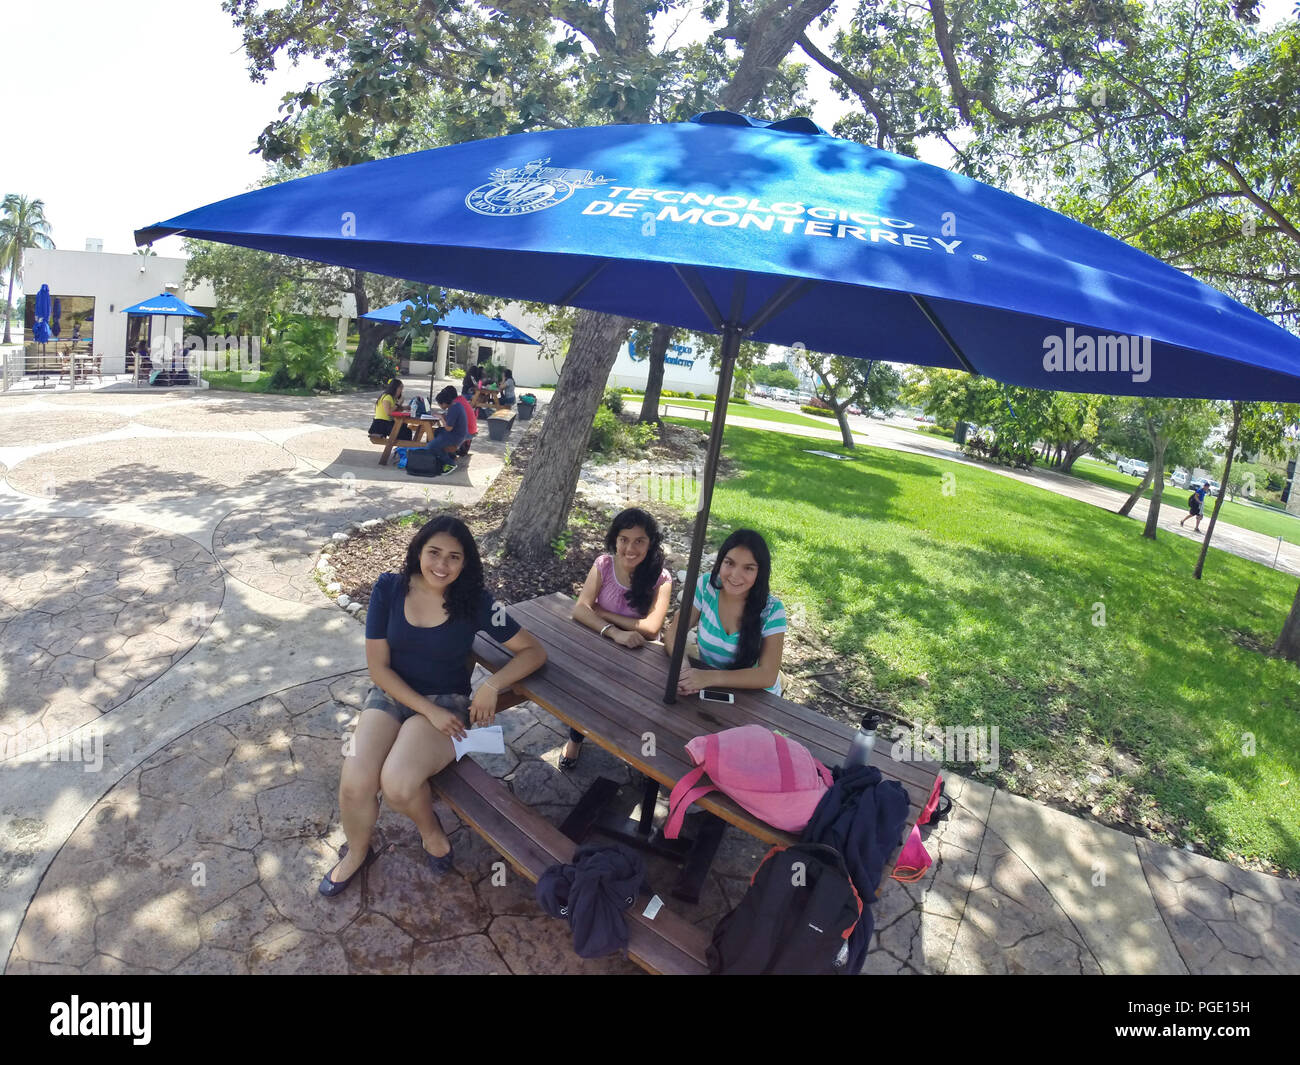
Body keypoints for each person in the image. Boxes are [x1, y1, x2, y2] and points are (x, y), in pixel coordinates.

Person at [320, 515, 546, 896]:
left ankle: (431, 832)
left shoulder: (475, 602)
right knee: (355, 783)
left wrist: (493, 684)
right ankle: (357, 852)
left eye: (455, 557)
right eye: (434, 553)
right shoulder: (388, 589)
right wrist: (425, 710)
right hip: (393, 695)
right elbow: (378, 668)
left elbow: (533, 651)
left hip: (447, 703)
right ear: (418, 552)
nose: (442, 565)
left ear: (466, 563)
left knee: (398, 784)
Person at [560, 508, 673, 769]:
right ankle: (575, 739)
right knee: (584, 693)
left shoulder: (660, 578)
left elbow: (651, 628)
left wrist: (603, 613)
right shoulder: (604, 565)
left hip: (638, 655)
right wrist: (614, 632)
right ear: (615, 540)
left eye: (639, 541)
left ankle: (634, 749)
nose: (630, 548)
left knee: (636, 705)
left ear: (650, 543)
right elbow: (579, 609)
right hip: (601, 643)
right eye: (624, 539)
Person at [662, 528, 786, 697]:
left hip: (758, 699)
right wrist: (683, 669)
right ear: (720, 562)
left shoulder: (772, 610)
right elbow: (674, 632)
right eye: (730, 563)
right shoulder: (707, 587)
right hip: (708, 690)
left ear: (760, 572)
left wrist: (709, 677)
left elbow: (767, 675)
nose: (735, 575)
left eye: (748, 568)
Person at [417, 385, 470, 473]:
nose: (439, 406)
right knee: (437, 431)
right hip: (459, 433)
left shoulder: (453, 409)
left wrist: (441, 418)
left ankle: (450, 463)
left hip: (455, 436)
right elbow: (451, 419)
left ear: (444, 403)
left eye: (439, 404)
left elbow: (448, 428)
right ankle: (445, 455)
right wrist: (442, 415)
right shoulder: (456, 405)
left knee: (430, 446)